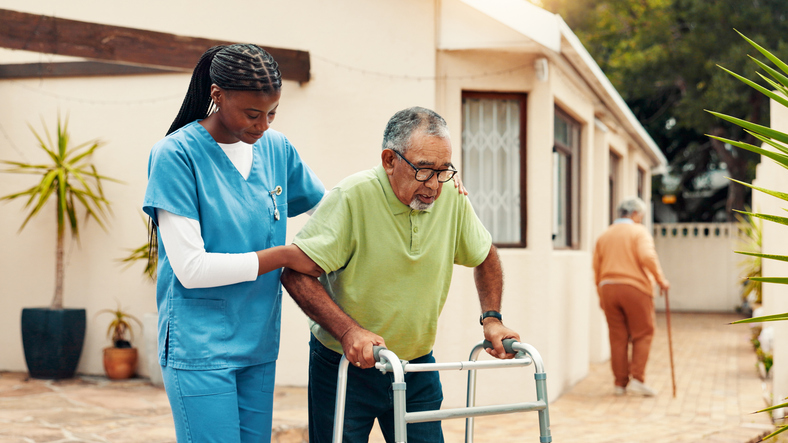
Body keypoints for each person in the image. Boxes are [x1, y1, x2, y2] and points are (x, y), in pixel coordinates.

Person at [280, 106, 521, 443]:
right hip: (344, 365)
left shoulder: (451, 197)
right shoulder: (351, 197)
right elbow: (295, 274)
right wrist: (348, 331)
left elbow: (485, 255)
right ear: (390, 160)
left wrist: (492, 318)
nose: (435, 185)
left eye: (444, 170)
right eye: (424, 170)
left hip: (415, 366)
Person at [142, 44, 326, 442]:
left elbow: (332, 210)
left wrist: (418, 185)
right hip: (200, 346)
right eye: (252, 114)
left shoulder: (277, 148)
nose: (263, 125)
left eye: (272, 112)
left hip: (257, 342)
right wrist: (283, 255)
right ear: (217, 95)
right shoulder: (176, 155)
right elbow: (191, 270)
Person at [592, 197, 670, 397]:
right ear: (635, 214)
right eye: (641, 216)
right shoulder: (638, 232)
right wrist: (661, 280)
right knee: (643, 333)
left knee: (617, 337)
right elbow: (647, 257)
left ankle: (620, 383)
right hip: (634, 288)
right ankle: (637, 378)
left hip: (607, 288)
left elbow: (596, 268)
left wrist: (600, 293)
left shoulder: (604, 235)